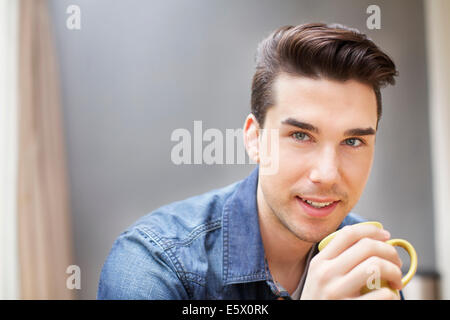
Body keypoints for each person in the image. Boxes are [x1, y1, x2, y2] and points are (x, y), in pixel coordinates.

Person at [97, 23, 403, 300]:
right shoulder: (156, 263)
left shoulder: (365, 255)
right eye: (300, 136)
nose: (326, 174)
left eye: (353, 142)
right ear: (254, 139)